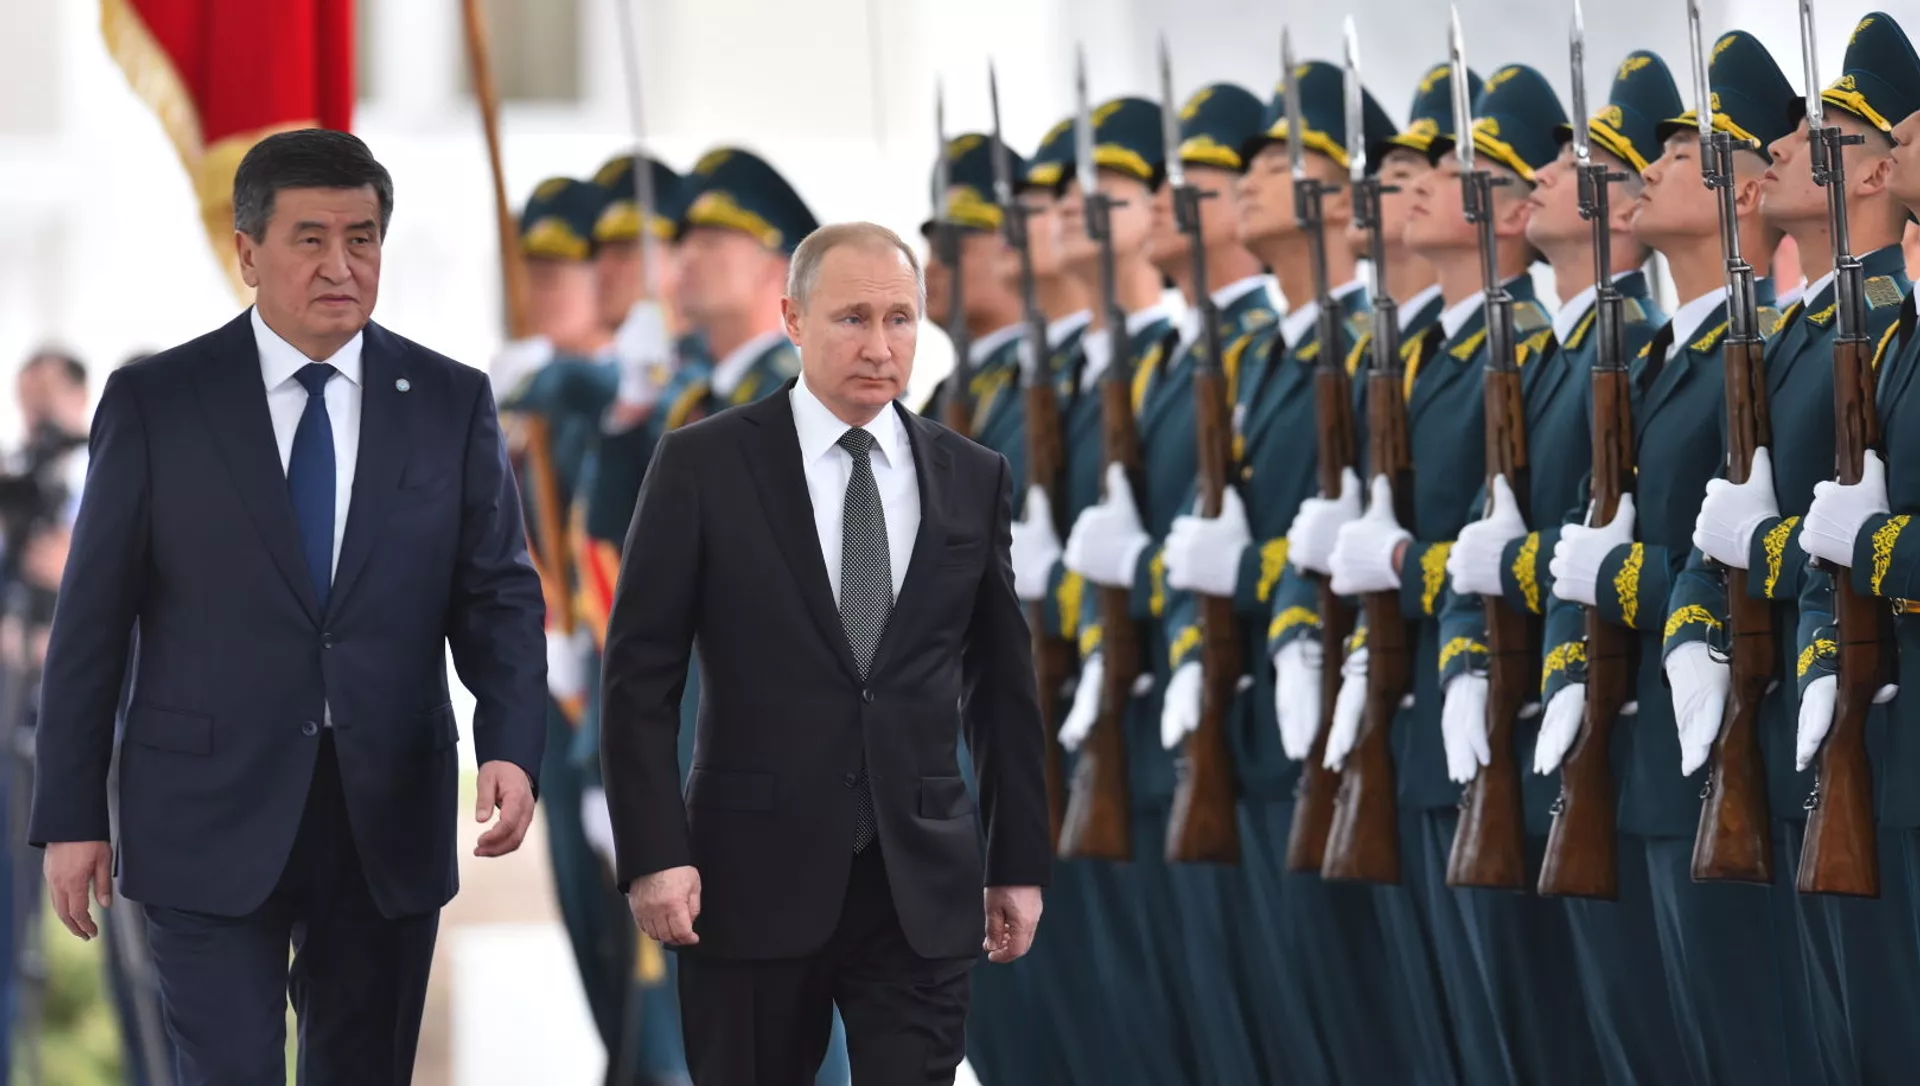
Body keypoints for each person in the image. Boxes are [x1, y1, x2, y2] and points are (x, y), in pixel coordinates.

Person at [28, 128, 547, 1084]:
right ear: (248, 252)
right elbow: (91, 623)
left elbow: (498, 596)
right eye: (311, 239)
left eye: (363, 238)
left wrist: (512, 741)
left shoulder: (448, 401)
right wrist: (71, 813)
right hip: (202, 815)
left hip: (385, 815)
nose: (341, 266)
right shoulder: (157, 403)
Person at [600, 221, 1048, 1085]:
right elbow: (638, 679)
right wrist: (653, 853)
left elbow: (1002, 687)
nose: (880, 347)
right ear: (794, 320)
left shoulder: (971, 474)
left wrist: (1019, 864)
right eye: (852, 319)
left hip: (919, 883)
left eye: (900, 319)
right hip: (747, 878)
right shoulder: (703, 463)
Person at [1286, 63, 1560, 1086]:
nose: (1411, 186)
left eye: (1448, 169)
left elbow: (1504, 541)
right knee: (1436, 1029)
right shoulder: (1424, 355)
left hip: (1486, 710)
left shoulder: (1518, 349)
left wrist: (1413, 586)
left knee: (1511, 1030)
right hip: (1405, 713)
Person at [1437, 49, 1679, 1086]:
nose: (1542, 177)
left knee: (1617, 1036)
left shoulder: (1630, 346)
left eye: (1583, 167)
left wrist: (1526, 577)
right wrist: (1464, 657)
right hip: (1527, 725)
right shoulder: (1543, 355)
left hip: (1602, 730)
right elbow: (1477, 536)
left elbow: (1588, 541)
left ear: (1623, 207)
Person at [1157, 68, 1400, 1086]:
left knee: (1356, 1023)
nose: (1248, 180)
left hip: (1342, 723)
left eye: (1276, 161)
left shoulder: (1375, 344)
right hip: (1255, 725)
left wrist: (1258, 574)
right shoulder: (1262, 356)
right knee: (1274, 1022)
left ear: (1343, 195)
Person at [1770, 15, 1920, 1085]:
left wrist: (1857, 548)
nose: (1786, 150)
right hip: (1838, 740)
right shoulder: (1858, 336)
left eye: (1825, 134)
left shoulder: (1877, 328)